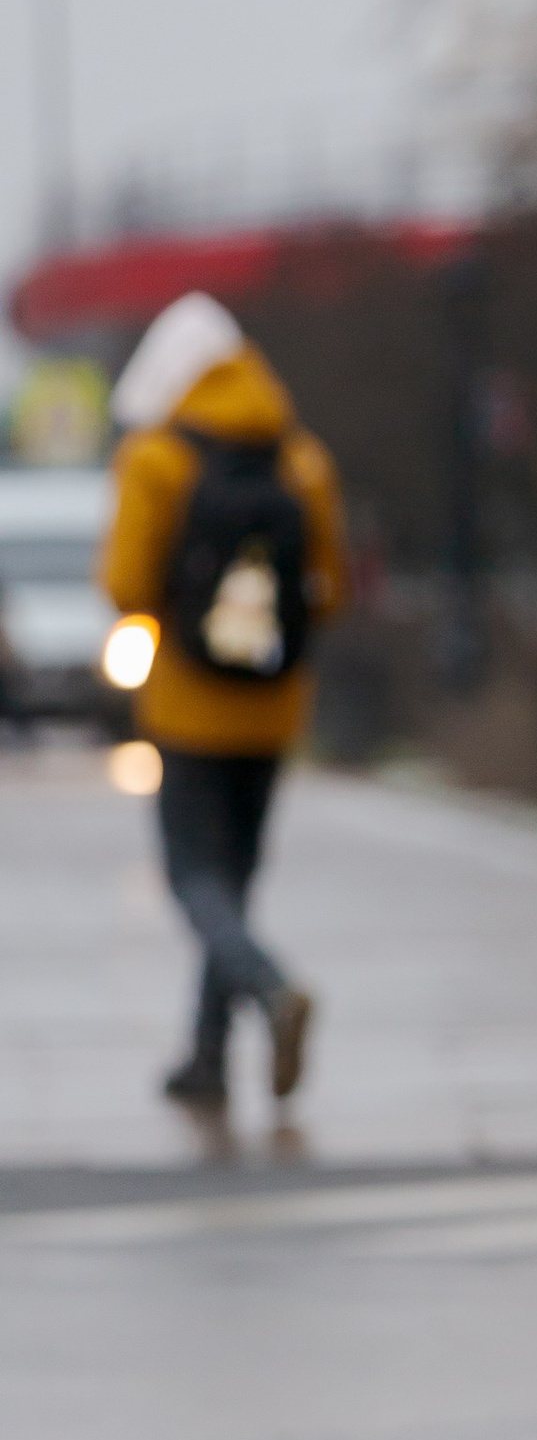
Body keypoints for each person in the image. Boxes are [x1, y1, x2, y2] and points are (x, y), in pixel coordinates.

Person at [97, 291, 347, 1117]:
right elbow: (332, 588)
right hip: (275, 708)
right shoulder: (300, 459)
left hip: (186, 706)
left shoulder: (157, 458)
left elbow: (126, 583)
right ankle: (207, 1059)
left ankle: (273, 992)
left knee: (192, 878)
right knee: (235, 880)